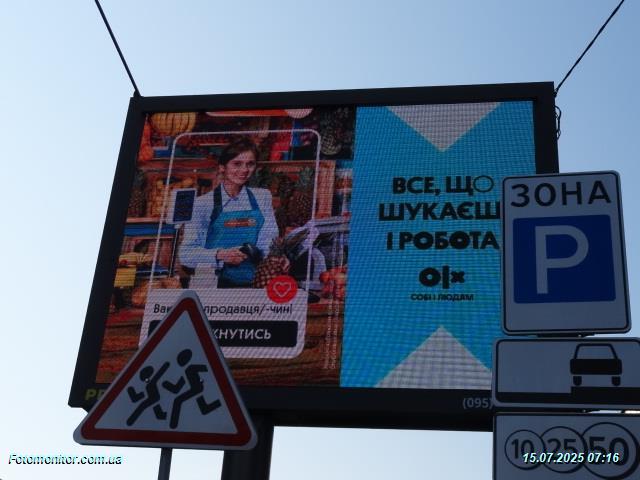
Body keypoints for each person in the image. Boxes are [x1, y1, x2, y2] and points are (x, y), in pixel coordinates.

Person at [179, 138, 278, 288]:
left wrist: (276, 258)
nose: (244, 170)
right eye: (237, 164)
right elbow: (186, 254)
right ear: (222, 168)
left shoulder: (262, 197)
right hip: (214, 286)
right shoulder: (202, 204)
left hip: (256, 282)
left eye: (250, 164)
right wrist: (220, 255)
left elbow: (268, 240)